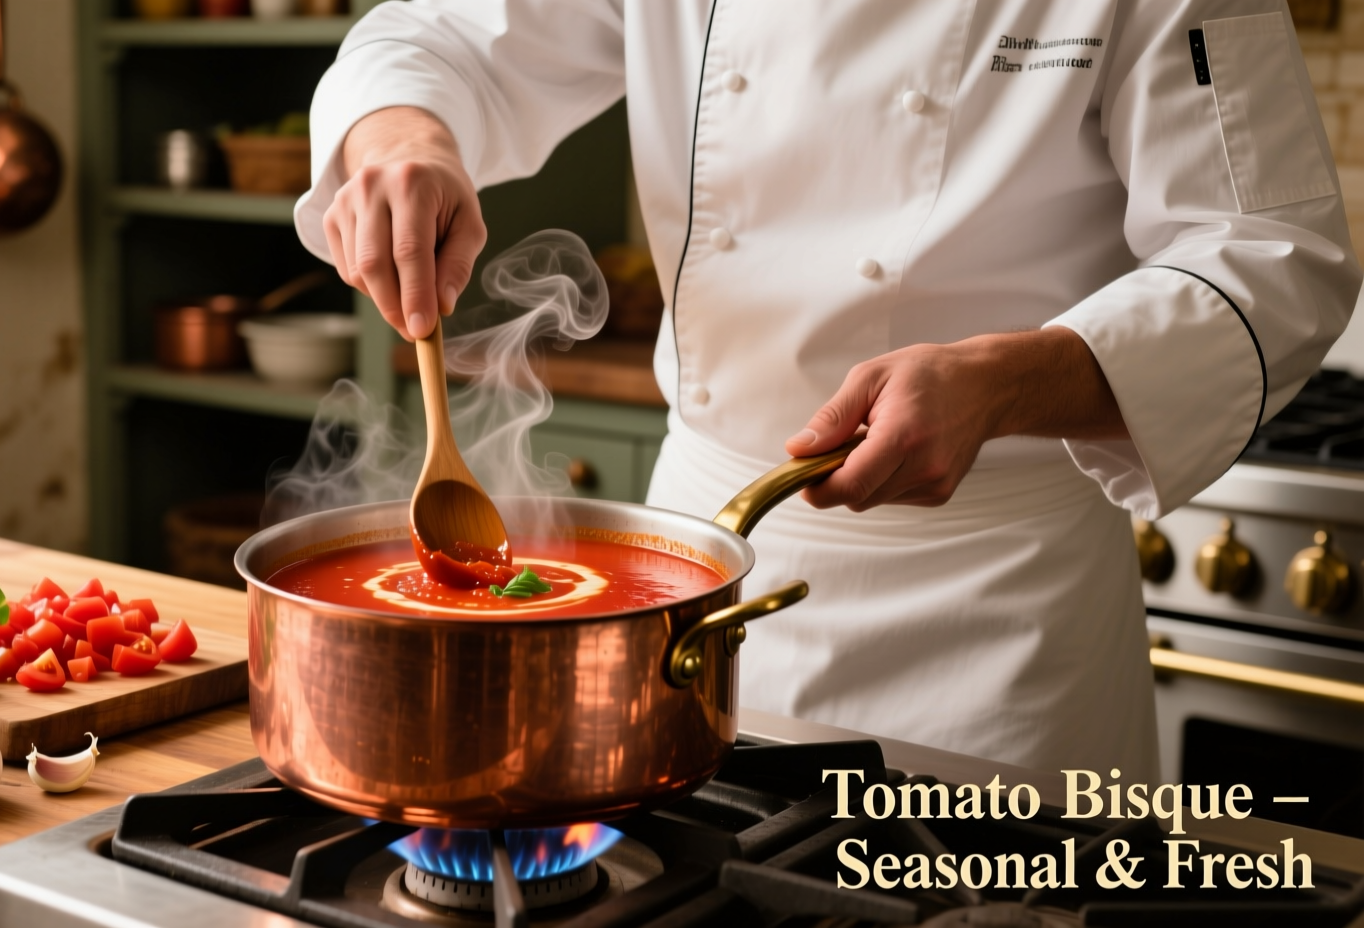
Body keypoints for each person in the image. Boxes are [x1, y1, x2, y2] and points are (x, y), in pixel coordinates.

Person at [292, 1, 1361, 779]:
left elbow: (1273, 257)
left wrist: (1004, 380)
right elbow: (431, 35)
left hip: (998, 621)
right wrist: (402, 136)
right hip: (694, 583)